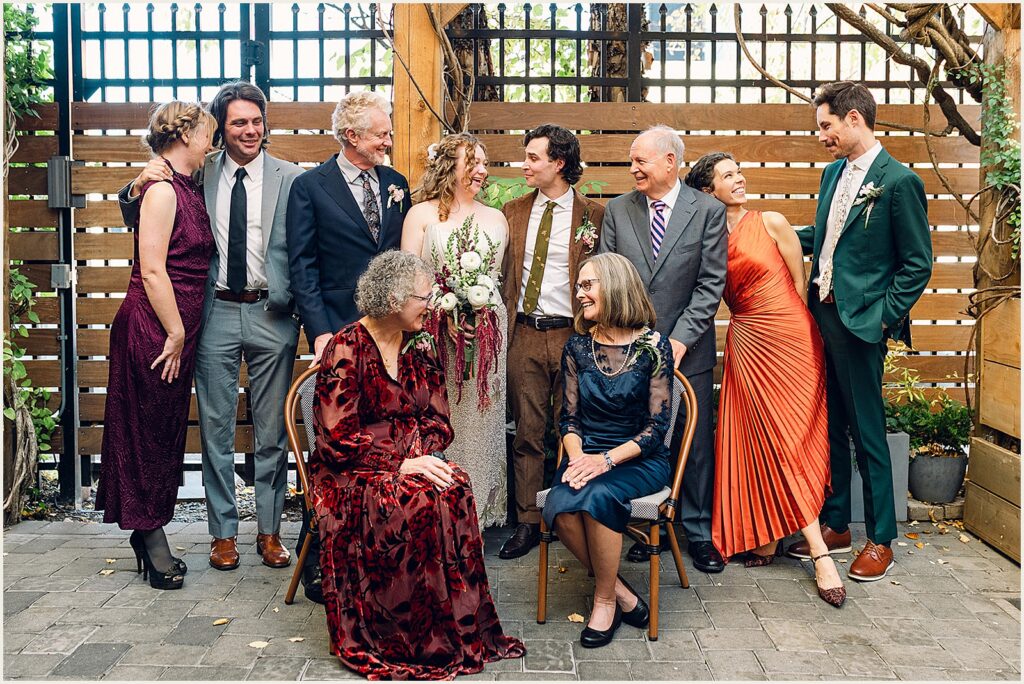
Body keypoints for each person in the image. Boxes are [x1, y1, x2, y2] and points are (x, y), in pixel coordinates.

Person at [310, 250, 525, 679]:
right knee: (416, 500)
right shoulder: (346, 348)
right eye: (424, 298)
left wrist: (416, 455)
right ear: (394, 299)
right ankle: (405, 638)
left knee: (454, 485)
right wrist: (400, 464)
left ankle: (453, 630)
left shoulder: (419, 345)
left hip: (408, 457)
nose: (431, 305)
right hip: (350, 471)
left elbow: (439, 421)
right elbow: (335, 438)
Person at [119, 82, 302, 577]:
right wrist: (132, 186)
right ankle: (223, 535)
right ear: (220, 129)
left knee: (271, 431)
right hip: (213, 314)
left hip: (272, 314)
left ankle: (269, 531)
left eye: (257, 120)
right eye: (238, 121)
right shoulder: (200, 172)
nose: (250, 129)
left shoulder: (291, 177)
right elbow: (151, 212)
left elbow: (306, 249)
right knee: (215, 430)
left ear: (266, 123)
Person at [786, 81, 932, 582]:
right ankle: (836, 524)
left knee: (868, 432)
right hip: (820, 317)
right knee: (831, 427)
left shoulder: (899, 182)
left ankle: (880, 538)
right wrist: (770, 230)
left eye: (825, 125)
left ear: (854, 119)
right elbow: (824, 237)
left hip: (861, 325)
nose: (821, 135)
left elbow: (917, 265)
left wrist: (880, 317)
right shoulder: (831, 175)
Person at [686, 152, 846, 608]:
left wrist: (792, 334)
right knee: (758, 438)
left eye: (739, 172)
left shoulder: (773, 221)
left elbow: (799, 285)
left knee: (791, 438)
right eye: (727, 176)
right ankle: (768, 535)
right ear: (707, 190)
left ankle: (818, 551)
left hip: (791, 338)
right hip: (746, 339)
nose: (739, 180)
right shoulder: (706, 236)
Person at [287, 90, 411, 602]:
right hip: (337, 333)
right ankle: (317, 556)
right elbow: (302, 268)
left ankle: (378, 553)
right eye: (381, 132)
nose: (389, 140)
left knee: (381, 436)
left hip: (389, 337)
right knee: (334, 443)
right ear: (351, 136)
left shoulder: (396, 184)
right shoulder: (309, 187)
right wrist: (319, 331)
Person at [96, 101, 216, 590]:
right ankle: (149, 534)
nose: (213, 141)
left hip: (172, 329)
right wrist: (175, 331)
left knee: (163, 430)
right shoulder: (163, 190)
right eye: (208, 131)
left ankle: (148, 526)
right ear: (186, 134)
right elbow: (151, 269)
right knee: (145, 430)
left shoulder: (182, 184)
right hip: (155, 328)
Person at [597, 125, 728, 573]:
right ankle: (641, 523)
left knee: (694, 443)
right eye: (632, 161)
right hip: (627, 352)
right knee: (635, 439)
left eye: (641, 161)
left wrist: (678, 341)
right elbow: (607, 279)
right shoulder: (617, 211)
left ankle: (697, 530)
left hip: (688, 350)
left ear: (670, 161)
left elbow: (711, 285)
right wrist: (628, 340)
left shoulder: (708, 211)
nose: (633, 168)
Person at [544, 253, 674, 648]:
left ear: (615, 286)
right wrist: (578, 456)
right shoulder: (578, 347)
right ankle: (623, 593)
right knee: (560, 504)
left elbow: (657, 429)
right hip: (587, 454)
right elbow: (568, 420)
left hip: (638, 459)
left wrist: (605, 461)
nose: (580, 294)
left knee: (598, 495)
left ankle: (604, 602)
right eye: (579, 286)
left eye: (588, 285)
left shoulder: (654, 346)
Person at [497, 124, 606, 560]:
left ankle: (567, 514)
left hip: (576, 336)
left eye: (534, 157)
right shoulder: (511, 211)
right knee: (527, 432)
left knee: (575, 429)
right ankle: (526, 522)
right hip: (524, 333)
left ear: (559, 163)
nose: (524, 164)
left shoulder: (594, 216)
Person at [401, 133, 509, 529]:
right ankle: (441, 513)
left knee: (482, 417)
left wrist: (480, 313)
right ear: (450, 166)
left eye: (484, 162)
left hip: (486, 338)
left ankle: (478, 513)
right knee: (438, 417)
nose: (482, 170)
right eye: (473, 162)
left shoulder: (496, 218)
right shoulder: (421, 215)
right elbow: (409, 279)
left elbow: (498, 279)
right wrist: (442, 310)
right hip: (434, 334)